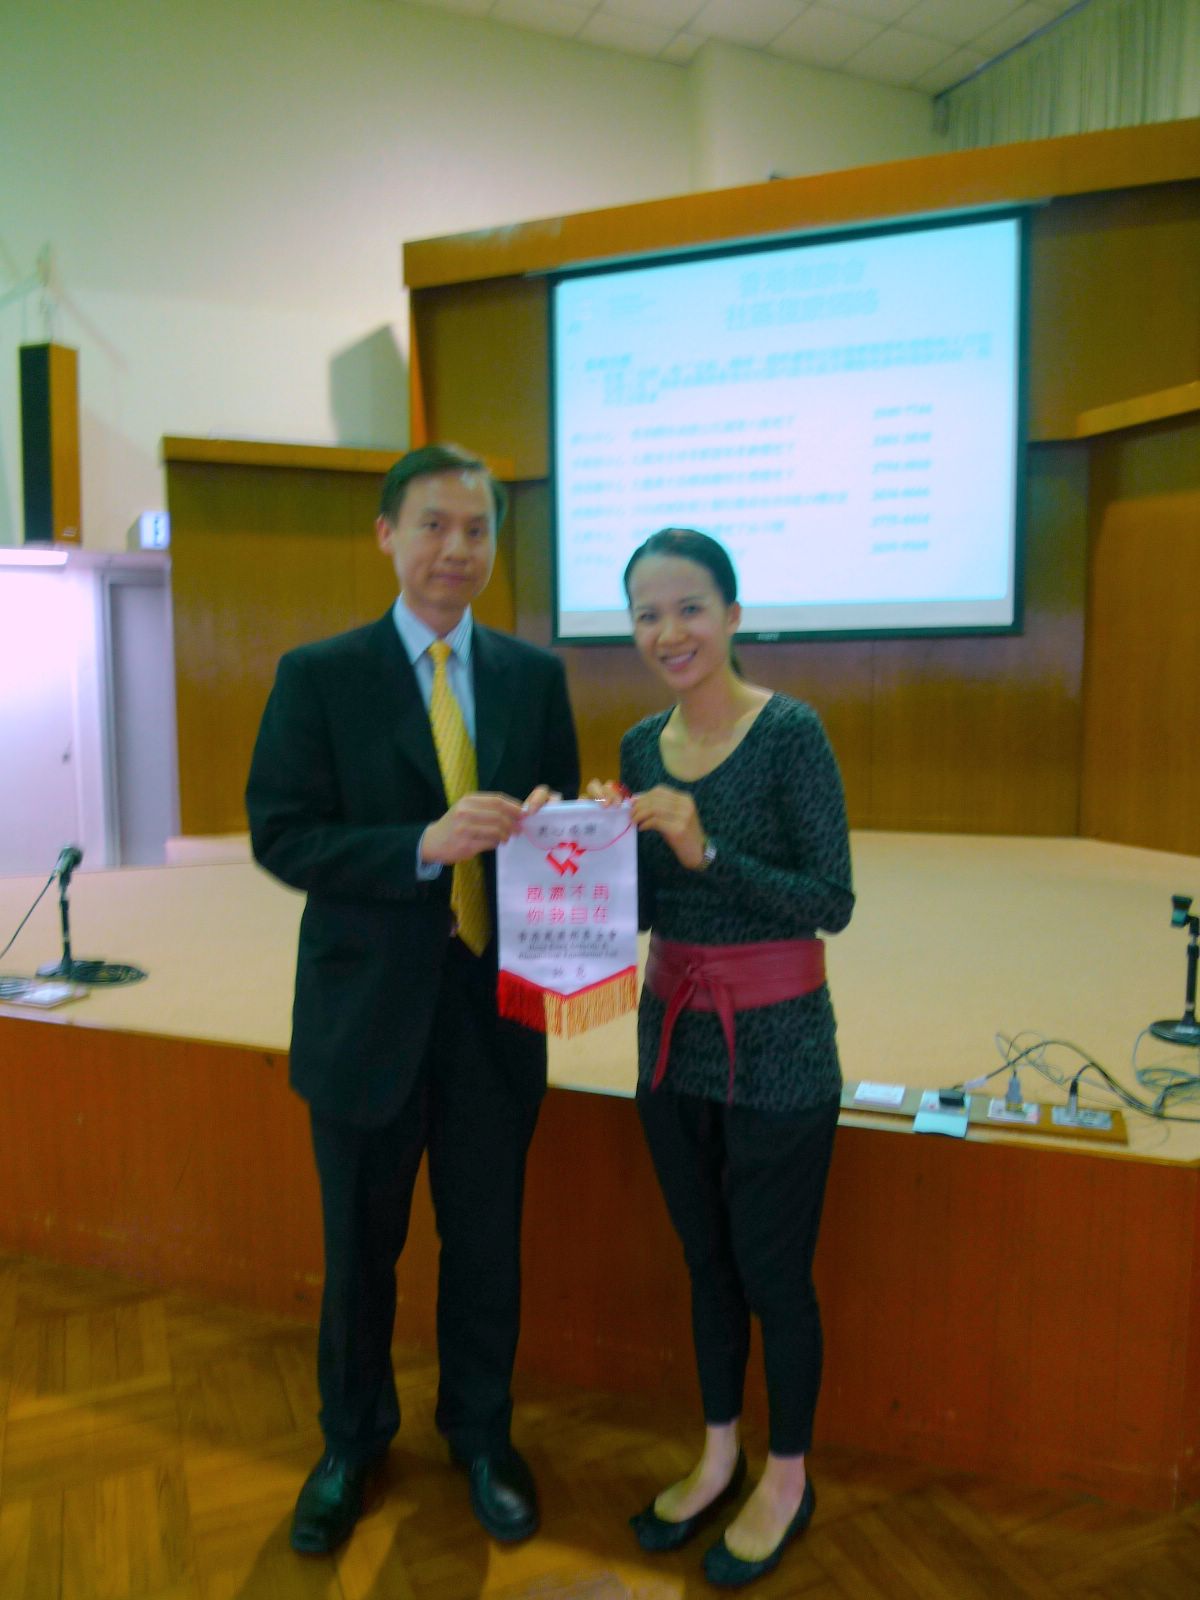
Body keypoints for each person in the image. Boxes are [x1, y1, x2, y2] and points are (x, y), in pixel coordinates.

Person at [246, 442, 579, 1557]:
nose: (456, 549)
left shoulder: (533, 677)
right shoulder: (319, 675)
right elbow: (282, 834)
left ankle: (482, 1436)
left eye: (476, 529)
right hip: (364, 1019)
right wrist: (421, 846)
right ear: (387, 534)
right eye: (434, 525)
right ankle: (351, 1442)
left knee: (488, 1244)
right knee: (360, 1251)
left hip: (495, 1012)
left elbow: (558, 825)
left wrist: (562, 828)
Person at [594, 528, 853, 1589]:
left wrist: (709, 850)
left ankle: (787, 1478)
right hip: (671, 1038)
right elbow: (638, 908)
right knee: (705, 1261)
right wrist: (571, 847)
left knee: (773, 1274)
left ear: (733, 615)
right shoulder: (638, 745)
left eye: (690, 608)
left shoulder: (791, 733)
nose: (670, 632)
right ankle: (717, 1456)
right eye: (648, 614)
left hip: (780, 1044)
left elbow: (831, 899)